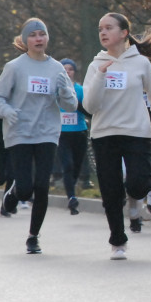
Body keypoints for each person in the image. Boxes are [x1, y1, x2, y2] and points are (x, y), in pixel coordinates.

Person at [82, 13, 151, 260]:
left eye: (109, 28)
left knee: (139, 184)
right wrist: (100, 76)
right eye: (100, 29)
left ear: (123, 33)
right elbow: (89, 106)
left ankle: (134, 201)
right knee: (110, 191)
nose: (103, 32)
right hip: (105, 133)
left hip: (137, 132)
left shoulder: (140, 63)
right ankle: (118, 241)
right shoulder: (95, 65)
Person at [0, 18, 77, 253]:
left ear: (47, 38)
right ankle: (16, 191)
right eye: (33, 35)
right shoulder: (15, 67)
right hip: (20, 131)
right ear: (25, 40)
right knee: (26, 189)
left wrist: (65, 90)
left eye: (42, 34)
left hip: (47, 132)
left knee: (42, 186)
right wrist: (7, 111)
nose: (38, 39)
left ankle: (33, 236)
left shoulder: (57, 68)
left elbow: (71, 105)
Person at [57, 59, 90, 215]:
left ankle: (72, 188)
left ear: (74, 72)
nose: (68, 71)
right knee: (68, 165)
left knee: (76, 166)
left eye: (71, 69)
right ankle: (71, 197)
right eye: (65, 69)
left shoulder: (80, 90)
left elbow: (89, 111)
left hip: (79, 132)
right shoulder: (55, 90)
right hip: (61, 133)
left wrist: (76, 104)